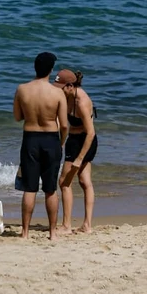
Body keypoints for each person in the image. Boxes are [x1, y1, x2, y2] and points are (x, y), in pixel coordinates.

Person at [13, 51, 68, 240]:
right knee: (51, 189)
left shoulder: (22, 89)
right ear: (51, 70)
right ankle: (52, 233)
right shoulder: (57, 92)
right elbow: (65, 125)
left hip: (30, 139)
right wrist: (61, 142)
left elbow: (18, 117)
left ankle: (25, 233)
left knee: (29, 188)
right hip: (51, 139)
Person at [53, 69, 97, 234]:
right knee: (85, 181)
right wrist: (60, 142)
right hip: (73, 140)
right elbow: (60, 121)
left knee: (64, 181)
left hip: (86, 142)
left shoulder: (82, 101)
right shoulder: (66, 97)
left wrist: (79, 158)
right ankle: (86, 226)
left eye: (61, 86)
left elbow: (91, 133)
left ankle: (67, 225)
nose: (58, 89)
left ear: (70, 86)